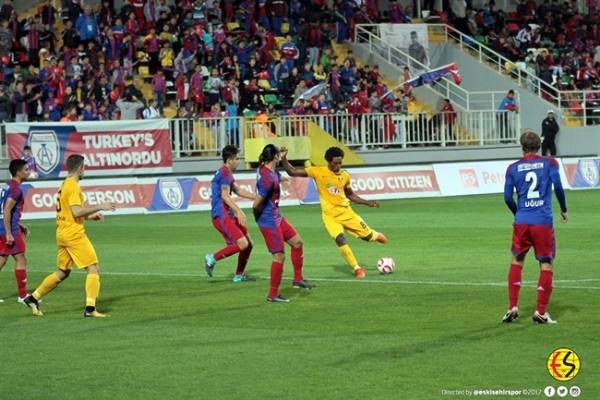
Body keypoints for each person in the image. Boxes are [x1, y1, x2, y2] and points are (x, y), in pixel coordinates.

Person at [24, 155, 116, 317]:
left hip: (62, 232)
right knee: (93, 268)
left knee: (62, 272)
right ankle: (90, 309)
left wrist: (90, 217)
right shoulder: (73, 186)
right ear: (80, 168)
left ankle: (33, 297)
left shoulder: (65, 184)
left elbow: (70, 212)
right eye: (84, 167)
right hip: (73, 234)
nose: (85, 170)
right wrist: (100, 206)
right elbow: (76, 211)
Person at [280, 146, 387, 279]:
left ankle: (375, 235)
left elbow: (350, 194)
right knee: (340, 239)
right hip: (330, 216)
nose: (337, 166)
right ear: (328, 161)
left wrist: (367, 202)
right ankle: (357, 268)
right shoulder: (317, 171)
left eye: (340, 163)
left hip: (347, 213)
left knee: (367, 237)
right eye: (335, 163)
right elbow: (292, 171)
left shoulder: (345, 175)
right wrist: (284, 158)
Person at [502, 130, 568, 324]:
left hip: (522, 221)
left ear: (521, 147)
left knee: (516, 261)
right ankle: (540, 312)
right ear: (539, 146)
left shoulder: (513, 168)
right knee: (546, 264)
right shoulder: (550, 163)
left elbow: (507, 197)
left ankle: (512, 307)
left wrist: (519, 213)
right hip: (542, 221)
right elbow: (558, 187)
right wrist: (563, 209)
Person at [253, 144, 313, 303]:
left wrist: (282, 158)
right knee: (279, 255)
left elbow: (276, 173)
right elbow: (256, 204)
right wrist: (261, 219)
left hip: (276, 217)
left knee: (297, 242)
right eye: (278, 155)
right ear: (274, 157)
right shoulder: (267, 178)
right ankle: (272, 295)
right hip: (268, 220)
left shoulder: (267, 169)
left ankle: (298, 279)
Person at [204, 145, 257, 282]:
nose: (239, 161)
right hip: (221, 215)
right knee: (242, 244)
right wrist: (238, 211)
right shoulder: (225, 173)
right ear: (230, 160)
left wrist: (257, 197)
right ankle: (212, 258)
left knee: (249, 243)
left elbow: (238, 190)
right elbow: (225, 196)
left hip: (227, 214)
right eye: (237, 158)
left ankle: (239, 275)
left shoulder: (225, 173)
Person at [0, 160, 31, 303]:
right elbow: (6, 209)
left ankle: (23, 295)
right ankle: (23, 295)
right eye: (26, 169)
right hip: (8, 229)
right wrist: (9, 232)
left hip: (3, 226)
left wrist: (19, 225)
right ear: (18, 172)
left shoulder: (7, 185)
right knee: (21, 259)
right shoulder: (15, 189)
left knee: (2, 259)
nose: (28, 171)